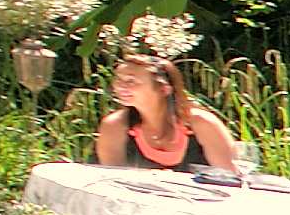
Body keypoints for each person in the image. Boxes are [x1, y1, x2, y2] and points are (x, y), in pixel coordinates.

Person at [93, 49, 245, 173]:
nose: (120, 86)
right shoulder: (114, 126)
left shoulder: (202, 123)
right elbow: (111, 183)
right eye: (119, 79)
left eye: (131, 81)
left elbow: (230, 178)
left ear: (164, 89)